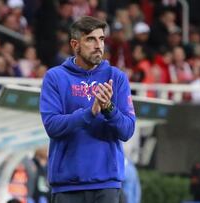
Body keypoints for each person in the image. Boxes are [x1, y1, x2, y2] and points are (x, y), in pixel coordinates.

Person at [39, 16, 136, 203]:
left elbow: (127, 130)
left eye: (101, 39)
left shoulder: (116, 78)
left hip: (106, 185)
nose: (98, 45)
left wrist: (109, 108)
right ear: (75, 45)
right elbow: (52, 126)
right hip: (67, 186)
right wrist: (89, 112)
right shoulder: (55, 77)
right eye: (90, 39)